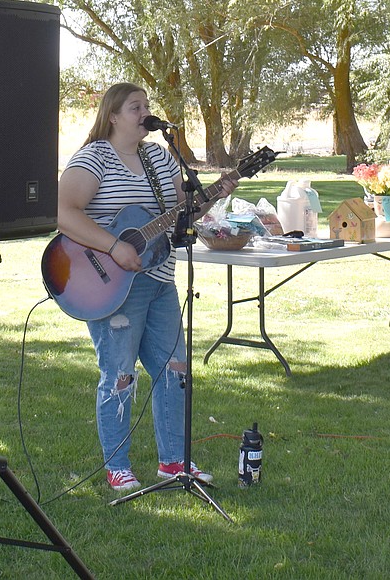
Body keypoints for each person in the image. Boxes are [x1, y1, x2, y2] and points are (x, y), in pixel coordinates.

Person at [57, 82, 239, 492]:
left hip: (160, 280)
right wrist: (114, 245)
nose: (144, 114)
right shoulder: (94, 159)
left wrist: (215, 194)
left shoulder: (158, 157)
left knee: (174, 370)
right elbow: (63, 214)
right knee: (120, 374)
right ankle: (117, 465)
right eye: (135, 107)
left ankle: (174, 462)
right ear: (113, 116)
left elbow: (181, 213)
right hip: (110, 283)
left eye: (146, 107)